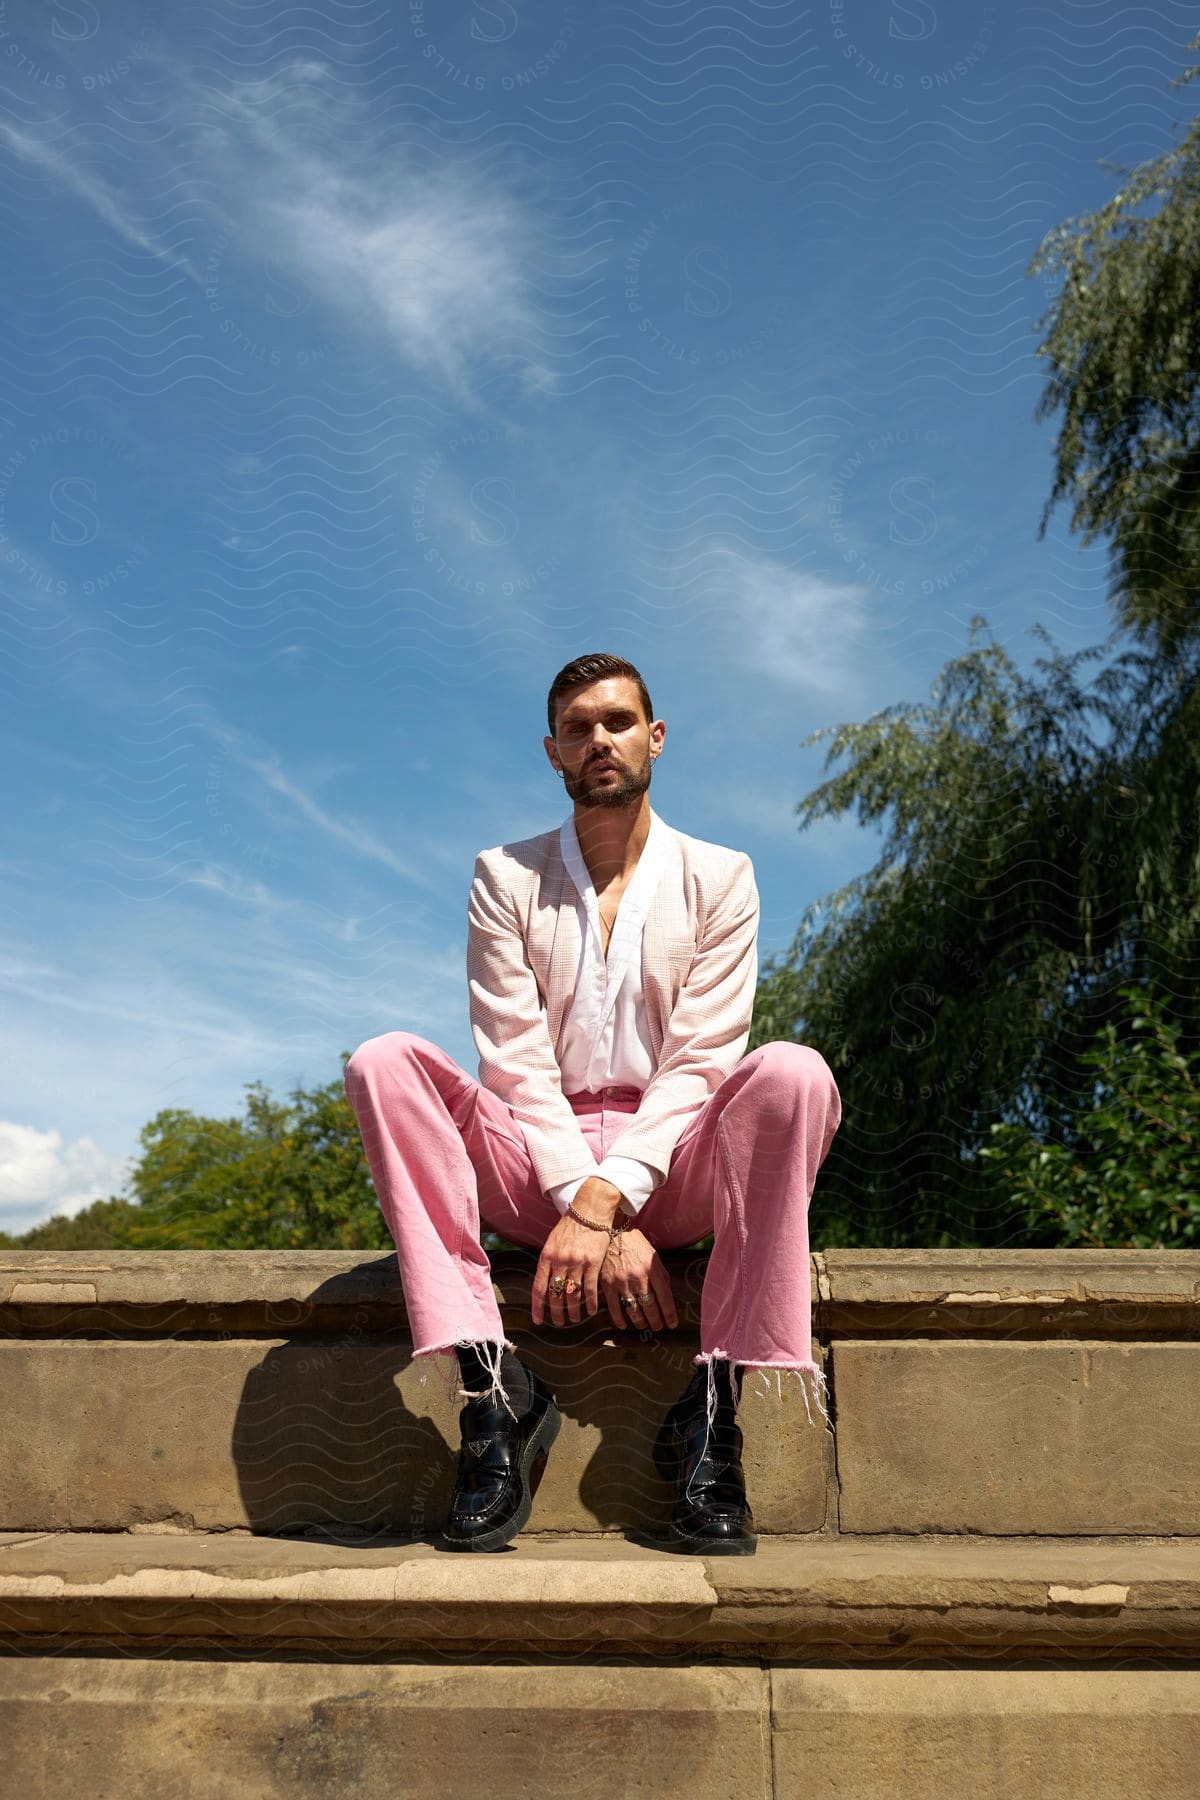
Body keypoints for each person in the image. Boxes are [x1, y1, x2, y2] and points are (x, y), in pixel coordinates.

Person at [344, 652, 842, 1556]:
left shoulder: (721, 876)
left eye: (616, 722)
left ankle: (710, 1416)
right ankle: (493, 1399)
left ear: (655, 738)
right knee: (385, 1063)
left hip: (674, 1165)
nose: (598, 740)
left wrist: (615, 1202)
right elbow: (516, 1060)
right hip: (536, 1164)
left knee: (793, 1073)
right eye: (578, 729)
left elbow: (701, 1062)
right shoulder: (505, 875)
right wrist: (582, 1199)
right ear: (552, 752)